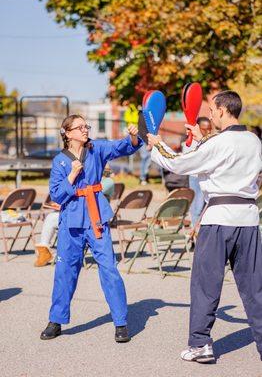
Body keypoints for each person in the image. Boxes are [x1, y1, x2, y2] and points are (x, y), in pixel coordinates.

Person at [147, 90, 262, 363]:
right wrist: (202, 141)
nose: (209, 114)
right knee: (255, 288)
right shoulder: (254, 141)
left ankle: (200, 344)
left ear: (222, 110)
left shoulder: (219, 143)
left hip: (219, 220)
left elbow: (179, 163)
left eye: (212, 110)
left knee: (206, 286)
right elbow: (226, 161)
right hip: (248, 218)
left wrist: (156, 144)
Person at [40, 114, 142, 342]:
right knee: (65, 271)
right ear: (67, 133)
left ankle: (121, 322)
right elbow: (56, 194)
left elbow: (123, 147)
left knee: (108, 268)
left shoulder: (97, 149)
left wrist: (133, 138)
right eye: (80, 127)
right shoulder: (60, 161)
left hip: (96, 217)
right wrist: (73, 174)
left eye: (86, 126)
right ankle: (56, 320)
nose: (85, 130)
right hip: (72, 221)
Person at [34, 165, 115, 267]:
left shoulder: (106, 182)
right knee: (52, 216)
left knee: (51, 218)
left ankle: (44, 251)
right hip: (82, 213)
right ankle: (44, 249)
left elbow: (88, 196)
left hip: (90, 217)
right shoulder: (101, 181)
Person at [182, 117, 212, 226]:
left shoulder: (212, 141)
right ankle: (195, 237)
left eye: (210, 129)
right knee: (197, 208)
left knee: (206, 209)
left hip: (208, 178)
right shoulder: (191, 142)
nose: (208, 132)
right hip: (196, 178)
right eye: (205, 129)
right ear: (198, 128)